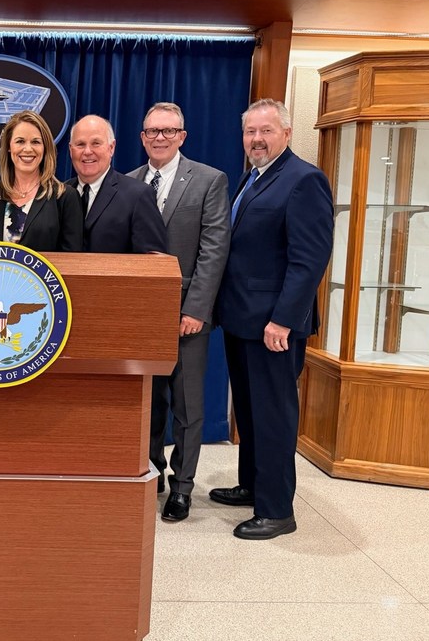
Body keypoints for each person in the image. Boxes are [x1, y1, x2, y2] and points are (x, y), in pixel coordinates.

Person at [209, 98, 333, 540]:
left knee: (274, 415)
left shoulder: (303, 180)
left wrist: (282, 320)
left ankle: (278, 509)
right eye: (250, 132)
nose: (256, 140)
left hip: (272, 328)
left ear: (285, 132)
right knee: (250, 410)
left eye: (265, 131)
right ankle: (253, 486)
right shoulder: (254, 177)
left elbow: (309, 260)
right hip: (243, 321)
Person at [128, 102, 230, 523]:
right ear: (142, 137)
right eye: (152, 131)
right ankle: (154, 470)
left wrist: (196, 309)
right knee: (148, 402)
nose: (159, 138)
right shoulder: (129, 182)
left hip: (186, 314)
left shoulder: (209, 180)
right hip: (141, 316)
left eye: (168, 131)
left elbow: (214, 249)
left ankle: (183, 488)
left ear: (182, 136)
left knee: (187, 406)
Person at [0, 110, 83, 251]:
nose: (28, 149)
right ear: (9, 147)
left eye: (35, 142)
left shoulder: (65, 197)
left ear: (45, 148)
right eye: (20, 141)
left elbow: (73, 259)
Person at [66, 114, 167, 254]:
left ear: (111, 147)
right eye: (80, 144)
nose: (87, 151)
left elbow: (154, 261)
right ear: (71, 150)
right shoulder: (59, 193)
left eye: (96, 143)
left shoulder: (138, 195)